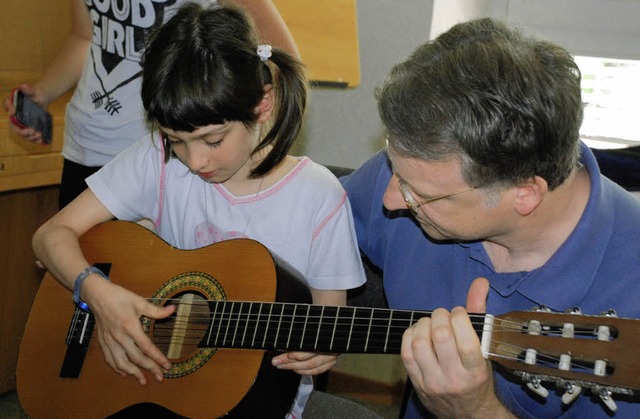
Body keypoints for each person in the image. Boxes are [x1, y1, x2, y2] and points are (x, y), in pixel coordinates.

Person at [31, 3, 376, 418]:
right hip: (152, 383)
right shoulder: (156, 160)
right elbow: (50, 235)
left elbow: (326, 322)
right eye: (177, 140)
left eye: (213, 140)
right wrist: (98, 295)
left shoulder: (319, 198)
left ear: (263, 105)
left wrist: (324, 348)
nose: (194, 161)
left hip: (261, 401)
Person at [341, 17, 640, 418]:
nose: (391, 198)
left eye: (420, 194)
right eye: (392, 168)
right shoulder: (417, 170)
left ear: (524, 194)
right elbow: (301, 224)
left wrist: (475, 410)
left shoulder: (631, 289)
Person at [3, 0, 299, 209]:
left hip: (167, 153)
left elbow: (276, 55)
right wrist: (44, 90)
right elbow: (85, 37)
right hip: (86, 144)